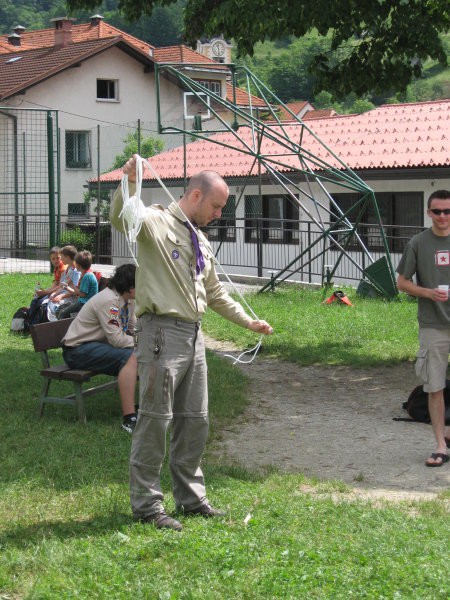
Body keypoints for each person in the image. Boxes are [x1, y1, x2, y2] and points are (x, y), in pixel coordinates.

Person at [110, 155, 273, 531]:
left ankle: (191, 498)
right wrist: (129, 183)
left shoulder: (199, 238)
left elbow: (214, 293)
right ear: (195, 195)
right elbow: (122, 219)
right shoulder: (155, 221)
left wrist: (249, 321)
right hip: (161, 335)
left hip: (194, 336)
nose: (219, 214)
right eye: (216, 206)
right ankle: (148, 506)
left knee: (195, 420)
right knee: (154, 420)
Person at [397, 189, 450, 467]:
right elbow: (402, 282)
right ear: (429, 213)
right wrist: (428, 293)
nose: (442, 216)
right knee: (434, 386)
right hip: (433, 325)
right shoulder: (418, 242)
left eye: (447, 211)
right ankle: (440, 445)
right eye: (437, 211)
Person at [61, 263, 138, 432]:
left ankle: (145, 407)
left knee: (142, 354)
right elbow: (117, 340)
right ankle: (129, 418)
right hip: (77, 350)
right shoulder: (109, 301)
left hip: (95, 346)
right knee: (131, 357)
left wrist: (143, 341)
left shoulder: (128, 300)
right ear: (131, 287)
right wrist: (141, 344)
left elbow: (132, 329)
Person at [28, 246, 67, 326]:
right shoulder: (57, 268)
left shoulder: (63, 268)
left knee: (39, 302)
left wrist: (45, 292)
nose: (56, 260)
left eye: (58, 258)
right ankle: (30, 322)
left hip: (61, 292)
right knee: (35, 300)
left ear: (62, 257)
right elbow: (55, 283)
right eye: (53, 259)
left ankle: (34, 325)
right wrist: (45, 291)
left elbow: (61, 286)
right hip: (56, 290)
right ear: (50, 259)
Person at [57, 250, 98, 319]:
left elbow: (82, 294)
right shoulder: (85, 274)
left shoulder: (87, 276)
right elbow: (79, 293)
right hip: (82, 302)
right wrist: (67, 288)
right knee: (59, 309)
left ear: (78, 265)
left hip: (85, 304)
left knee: (63, 313)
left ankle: (62, 329)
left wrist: (72, 284)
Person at [47, 245, 80, 322]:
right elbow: (62, 285)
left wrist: (61, 296)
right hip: (64, 295)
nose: (60, 259)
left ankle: (57, 324)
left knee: (53, 305)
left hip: (71, 298)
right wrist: (55, 293)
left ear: (68, 257)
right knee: (49, 302)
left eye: (62, 257)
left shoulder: (76, 272)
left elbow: (75, 292)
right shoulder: (68, 269)